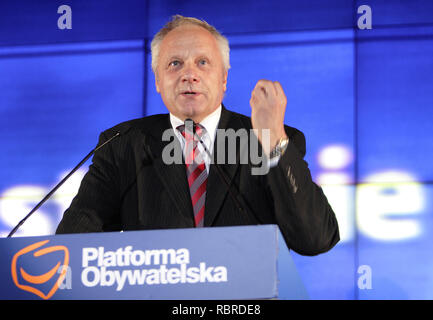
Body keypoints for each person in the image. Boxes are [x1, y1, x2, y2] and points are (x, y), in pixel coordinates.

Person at [56, 15, 339, 256]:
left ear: (224, 78)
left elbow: (314, 239)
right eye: (175, 64)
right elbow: (73, 247)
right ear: (157, 80)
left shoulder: (267, 140)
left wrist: (274, 140)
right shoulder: (121, 145)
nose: (189, 75)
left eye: (203, 62)